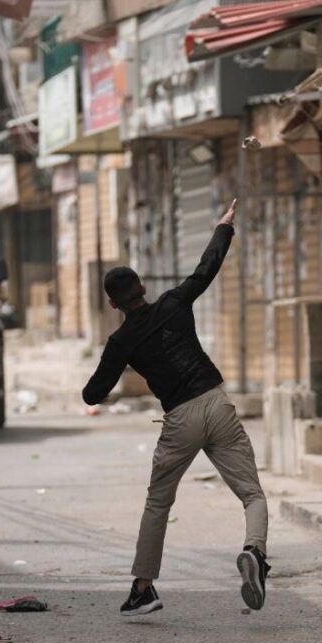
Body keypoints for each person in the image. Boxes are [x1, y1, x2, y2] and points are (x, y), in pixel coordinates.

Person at [82, 198, 269, 617]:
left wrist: (110, 389)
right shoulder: (174, 302)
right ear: (143, 288)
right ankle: (255, 551)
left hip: (180, 419)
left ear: (113, 305)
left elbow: (92, 394)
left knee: (158, 503)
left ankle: (144, 588)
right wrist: (224, 225)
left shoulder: (120, 343)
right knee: (252, 494)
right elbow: (207, 268)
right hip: (217, 403)